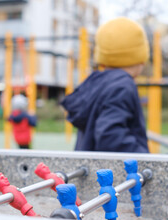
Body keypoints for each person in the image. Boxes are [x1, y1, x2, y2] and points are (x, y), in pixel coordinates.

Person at [61, 17, 149, 153]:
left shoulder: (96, 82)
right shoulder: (121, 86)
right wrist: (145, 160)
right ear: (140, 56)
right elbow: (110, 136)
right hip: (114, 173)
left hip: (92, 168)